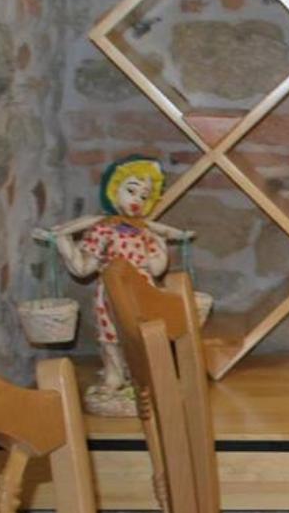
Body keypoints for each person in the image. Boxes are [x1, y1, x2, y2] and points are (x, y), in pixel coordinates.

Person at [32, 156, 193, 416]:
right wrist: (64, 243)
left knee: (145, 334)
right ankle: (114, 376)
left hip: (144, 293)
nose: (137, 200)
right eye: (131, 190)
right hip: (110, 294)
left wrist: (161, 245)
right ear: (113, 189)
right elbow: (84, 268)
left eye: (144, 196)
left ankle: (148, 374)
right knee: (111, 337)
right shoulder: (103, 231)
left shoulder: (144, 233)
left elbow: (156, 268)